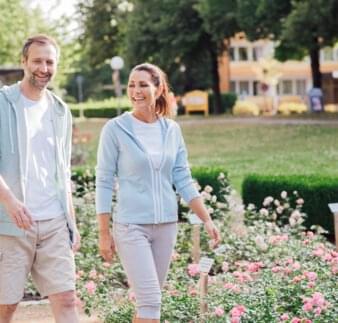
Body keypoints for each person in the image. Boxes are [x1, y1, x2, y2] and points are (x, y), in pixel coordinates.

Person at [96, 63, 221, 323]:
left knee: (150, 303)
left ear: (159, 88)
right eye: (131, 84)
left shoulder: (171, 130)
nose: (136, 91)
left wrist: (206, 219)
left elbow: (183, 178)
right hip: (131, 225)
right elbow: (104, 181)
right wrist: (104, 233)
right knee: (151, 302)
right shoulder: (115, 129)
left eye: (143, 84)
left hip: (166, 226)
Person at [0, 34, 80, 323]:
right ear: (24, 62)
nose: (43, 68)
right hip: (10, 224)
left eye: (49, 61)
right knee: (6, 306)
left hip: (54, 222)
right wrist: (9, 201)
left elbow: (62, 170)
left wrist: (71, 221)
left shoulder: (60, 111)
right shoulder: (3, 103)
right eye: (37, 60)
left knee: (67, 300)